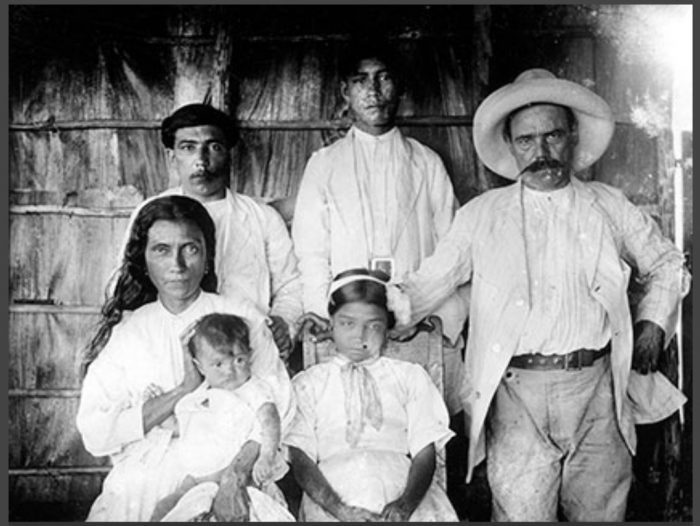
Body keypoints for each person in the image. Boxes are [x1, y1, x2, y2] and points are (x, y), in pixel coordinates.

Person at [392, 68, 690, 521]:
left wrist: (652, 322)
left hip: (596, 391)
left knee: (601, 514)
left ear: (572, 136)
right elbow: (429, 283)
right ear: (511, 146)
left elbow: (668, 262)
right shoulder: (482, 215)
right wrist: (366, 307)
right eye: (527, 140)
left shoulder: (607, 205)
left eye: (552, 135)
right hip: (516, 396)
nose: (541, 151)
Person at [76, 195, 294, 522]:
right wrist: (182, 391)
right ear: (144, 260)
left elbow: (280, 408)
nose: (176, 265)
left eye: (189, 249)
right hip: (145, 478)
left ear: (207, 257)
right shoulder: (130, 332)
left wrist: (233, 478)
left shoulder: (241, 317)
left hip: (230, 469)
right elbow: (96, 431)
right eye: (161, 250)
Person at [291, 41, 469, 419]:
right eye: (361, 80)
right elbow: (311, 250)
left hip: (414, 322)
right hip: (347, 320)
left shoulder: (426, 162)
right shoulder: (324, 164)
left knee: (418, 425)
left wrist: (419, 310)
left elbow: (453, 247)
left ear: (400, 87)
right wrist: (321, 310)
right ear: (346, 91)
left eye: (384, 78)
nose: (373, 92)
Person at [115, 103, 302, 360]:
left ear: (228, 154)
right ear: (172, 157)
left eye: (213, 147)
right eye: (188, 148)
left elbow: (290, 284)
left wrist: (284, 322)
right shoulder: (151, 213)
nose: (201, 161)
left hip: (244, 351)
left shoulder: (262, 218)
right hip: (167, 349)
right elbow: (128, 282)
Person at [284, 269, 459, 522]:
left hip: (402, 489)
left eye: (373, 325)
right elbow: (300, 458)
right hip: (333, 495)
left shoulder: (409, 376)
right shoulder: (309, 383)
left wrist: (406, 504)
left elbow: (424, 451)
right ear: (331, 322)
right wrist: (339, 509)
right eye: (347, 323)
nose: (360, 336)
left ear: (388, 328)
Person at [148, 313, 293, 522]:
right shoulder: (199, 397)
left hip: (239, 476)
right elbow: (182, 428)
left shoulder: (253, 390)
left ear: (250, 356)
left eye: (239, 360)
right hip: (196, 478)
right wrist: (159, 410)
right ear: (200, 367)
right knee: (165, 509)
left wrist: (266, 456)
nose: (230, 370)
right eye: (218, 364)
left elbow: (271, 422)